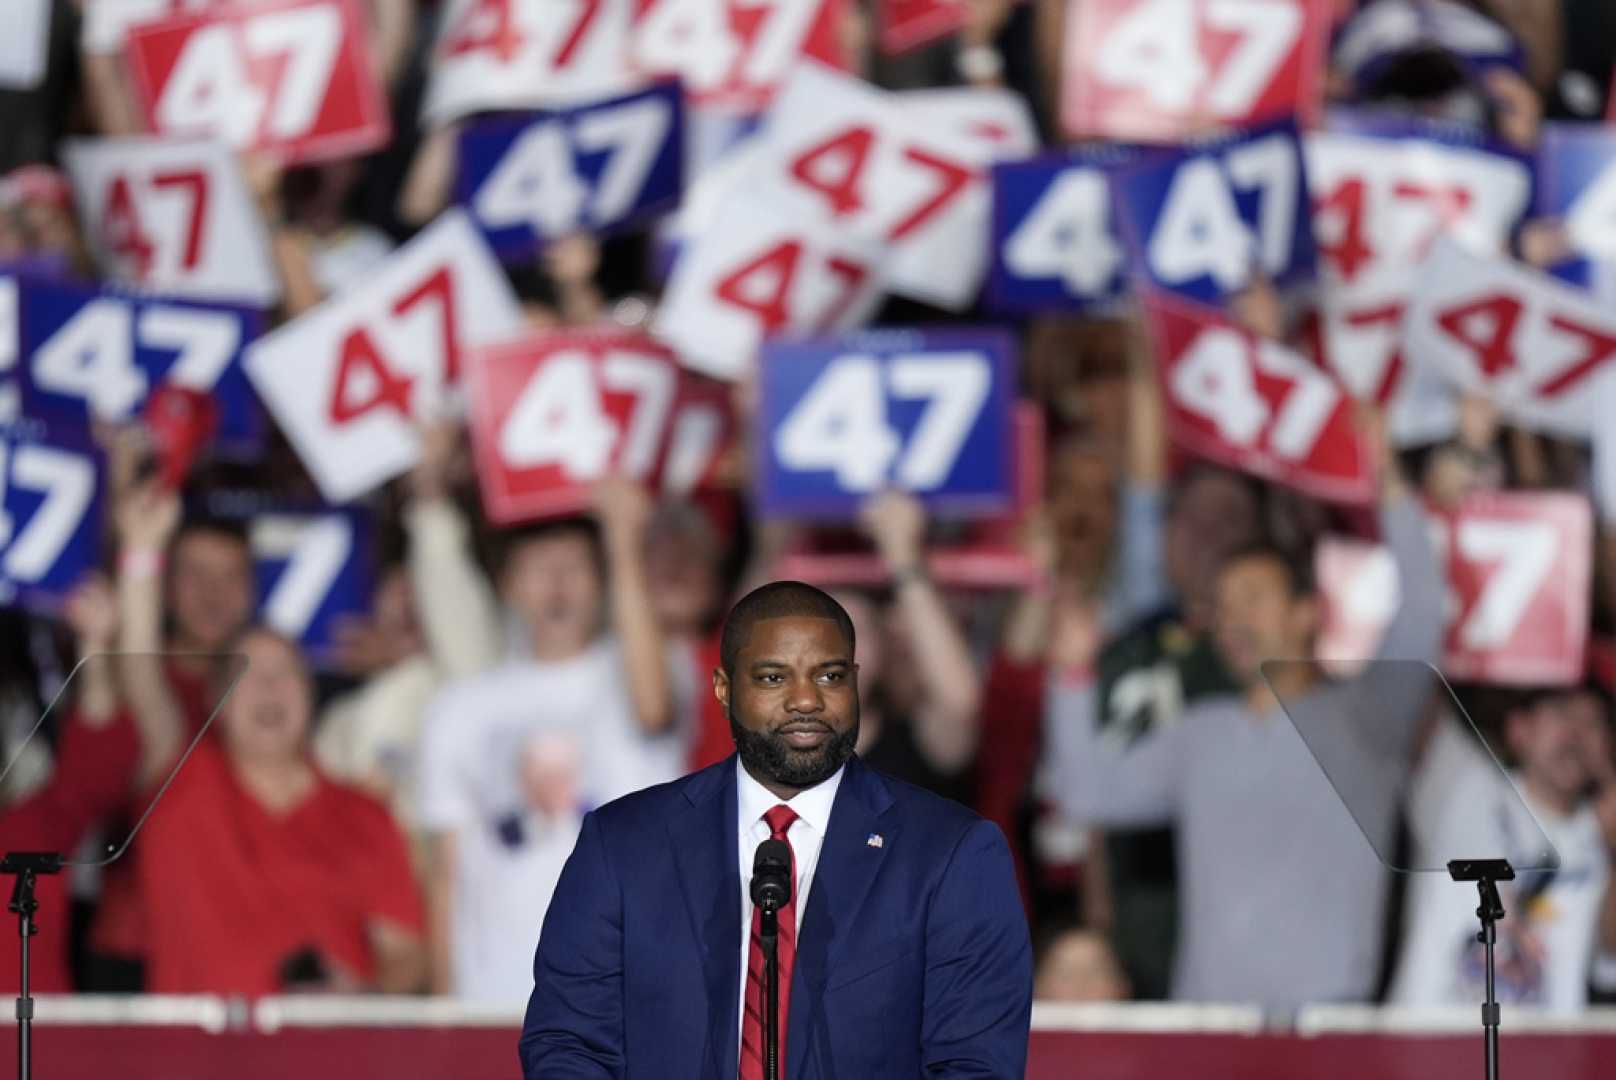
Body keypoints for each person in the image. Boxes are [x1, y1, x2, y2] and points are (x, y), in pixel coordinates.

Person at [521, 581, 1032, 1079]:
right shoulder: (622, 845)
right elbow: (569, 1042)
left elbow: (975, 1062)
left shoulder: (950, 854)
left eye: (830, 677)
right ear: (723, 689)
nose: (806, 700)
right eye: (773, 678)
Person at [1045, 413, 1447, 1007]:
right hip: (1208, 1036)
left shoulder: (1369, 717)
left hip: (1326, 1034)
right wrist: (1072, 676)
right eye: (1227, 606)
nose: (1236, 620)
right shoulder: (1199, 733)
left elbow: (1421, 613)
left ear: (1307, 613)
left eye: (1254, 599)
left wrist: (1386, 476)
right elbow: (1088, 794)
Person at [114, 477, 426, 995]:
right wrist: (142, 551)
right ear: (214, 704)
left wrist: (359, 999)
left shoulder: (365, 814)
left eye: (285, 674)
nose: (268, 689)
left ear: (311, 697)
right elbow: (141, 673)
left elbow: (407, 954)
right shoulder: (183, 785)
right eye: (246, 676)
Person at [415, 477, 686, 1000]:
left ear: (603, 580)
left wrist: (624, 544)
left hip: (622, 1004)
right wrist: (445, 1013)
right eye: (539, 569)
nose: (558, 584)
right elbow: (446, 875)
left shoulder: (644, 673)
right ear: (507, 585)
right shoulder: (458, 709)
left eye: (576, 567)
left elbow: (654, 710)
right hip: (496, 1002)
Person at [1390, 683, 1616, 1010]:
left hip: (1549, 1055)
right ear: (1518, 729)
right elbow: (1417, 696)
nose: (1576, 734)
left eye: (1594, 722)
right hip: (1428, 1044)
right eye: (1561, 712)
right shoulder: (1465, 788)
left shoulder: (1600, 840)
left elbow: (1609, 952)